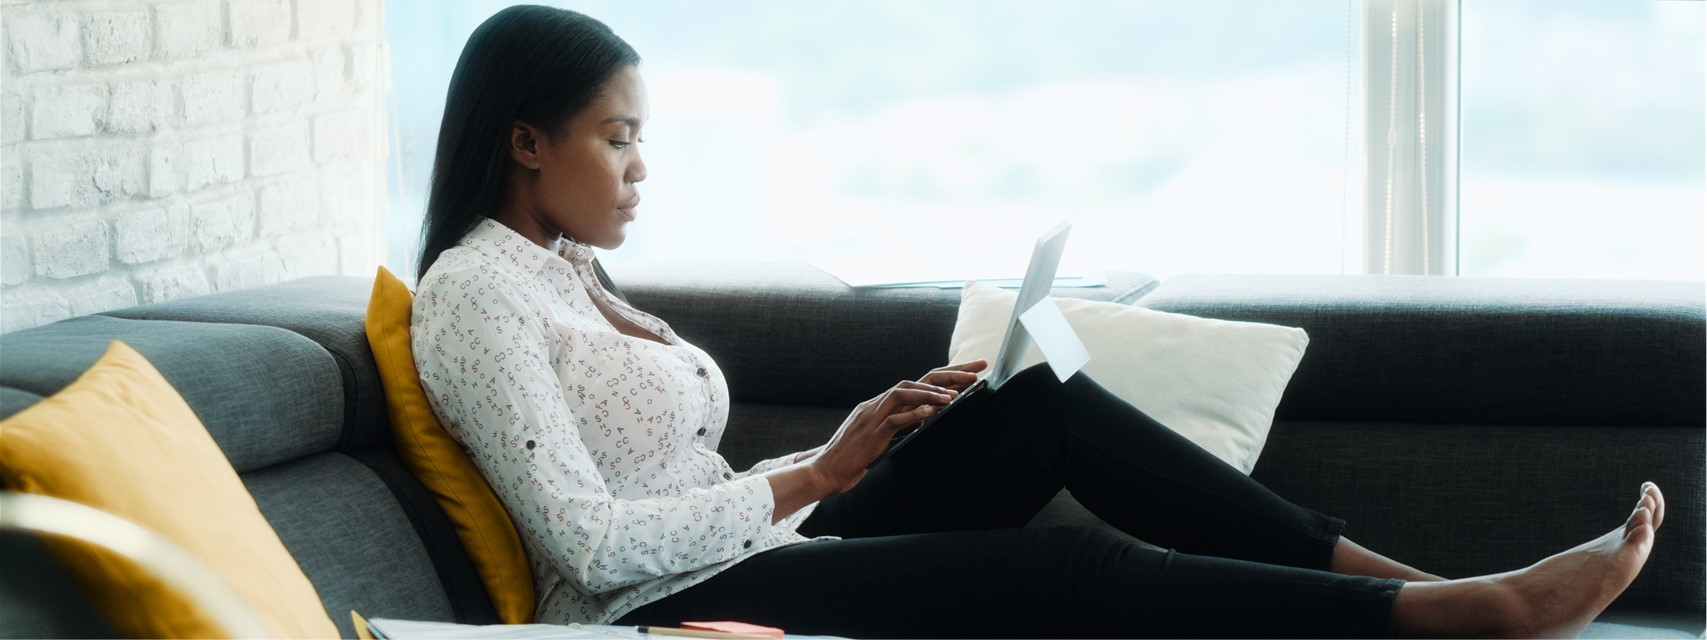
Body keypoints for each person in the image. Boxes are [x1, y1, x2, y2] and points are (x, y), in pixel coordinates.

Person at [410, 6, 1664, 638]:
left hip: (750, 543)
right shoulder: (474, 295)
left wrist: (835, 453)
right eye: (617, 138)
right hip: (668, 608)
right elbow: (583, 538)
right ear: (526, 141)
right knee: (1069, 568)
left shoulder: (569, 271)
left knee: (1037, 402)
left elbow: (676, 474)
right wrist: (813, 477)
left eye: (645, 141)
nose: (640, 169)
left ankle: (1430, 586)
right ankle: (1453, 622)